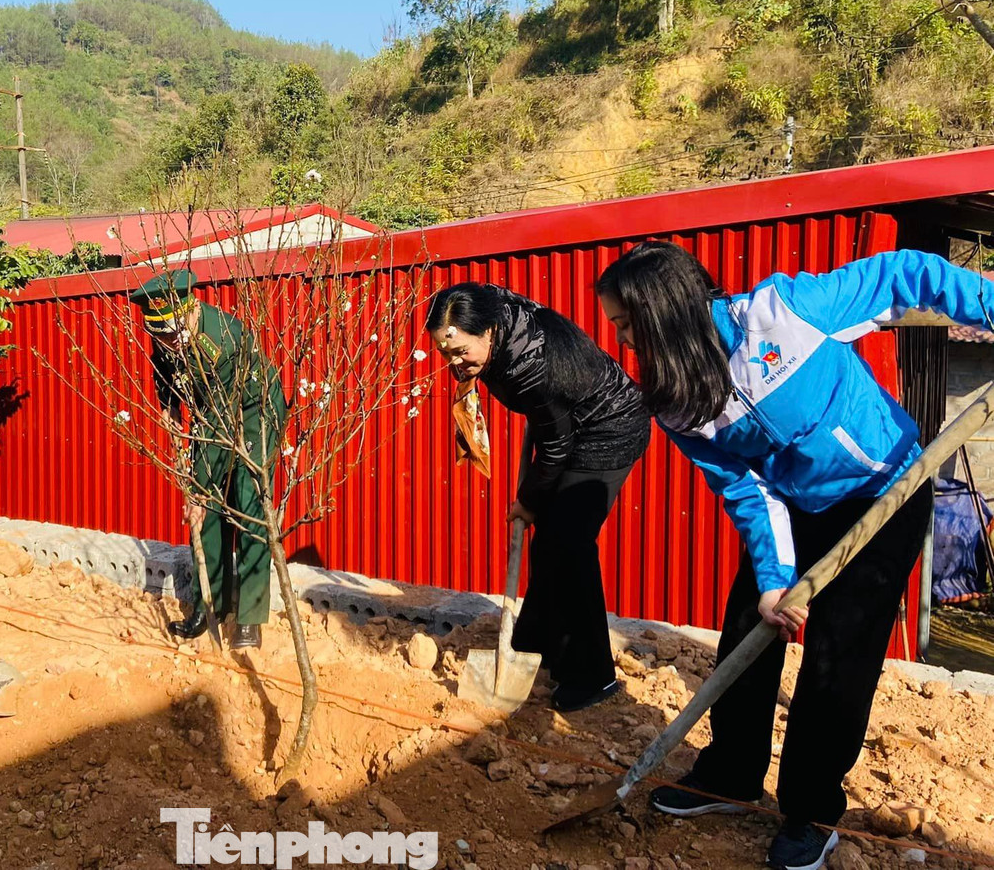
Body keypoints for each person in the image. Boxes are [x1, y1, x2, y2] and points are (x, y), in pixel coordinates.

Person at [596, 241, 994, 870]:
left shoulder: (783, 313)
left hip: (884, 491)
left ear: (663, 312)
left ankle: (809, 812)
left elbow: (901, 275)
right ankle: (729, 775)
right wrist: (775, 580)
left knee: (839, 655)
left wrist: (990, 306)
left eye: (625, 324)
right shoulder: (675, 397)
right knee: (748, 628)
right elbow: (745, 489)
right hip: (792, 508)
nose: (620, 340)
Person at [425, 283, 651, 712]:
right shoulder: (492, 309)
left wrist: (527, 501)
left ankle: (592, 677)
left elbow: (555, 447)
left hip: (609, 428)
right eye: (445, 352)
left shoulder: (529, 370)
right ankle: (535, 642)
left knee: (569, 543)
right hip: (567, 421)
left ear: (488, 331)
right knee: (551, 541)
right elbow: (552, 430)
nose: (453, 362)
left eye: (460, 352)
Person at [129, 271, 287, 650]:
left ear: (190, 312)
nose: (166, 342)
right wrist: (171, 425)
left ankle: (248, 617)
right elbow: (166, 384)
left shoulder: (221, 341)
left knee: (247, 508)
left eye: (171, 333)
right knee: (207, 520)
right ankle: (208, 605)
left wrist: (196, 493)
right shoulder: (166, 334)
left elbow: (221, 420)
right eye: (159, 335)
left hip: (254, 415)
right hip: (209, 417)